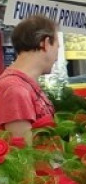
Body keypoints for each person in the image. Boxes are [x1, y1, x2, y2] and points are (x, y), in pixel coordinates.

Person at [0, 15, 58, 143]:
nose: (56, 57)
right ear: (46, 43)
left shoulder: (22, 84)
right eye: (57, 47)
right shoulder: (15, 89)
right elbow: (25, 155)